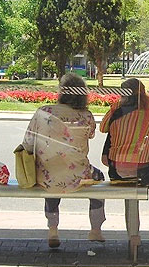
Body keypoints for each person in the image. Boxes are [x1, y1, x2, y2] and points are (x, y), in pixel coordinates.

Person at [22, 73, 105, 248]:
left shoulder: (43, 112)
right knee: (99, 178)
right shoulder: (87, 116)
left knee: (50, 175)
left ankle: (53, 229)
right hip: (79, 174)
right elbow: (90, 135)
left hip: (48, 174)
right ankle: (95, 229)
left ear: (61, 92)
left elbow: (27, 143)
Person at [100, 78, 149, 244]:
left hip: (118, 170)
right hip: (145, 169)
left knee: (130, 195)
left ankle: (134, 237)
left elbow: (103, 128)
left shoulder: (116, 111)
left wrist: (116, 107)